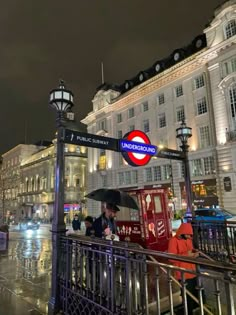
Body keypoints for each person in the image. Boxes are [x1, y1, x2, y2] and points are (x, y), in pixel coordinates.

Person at [168, 222, 200, 315]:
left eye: (190, 235)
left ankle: (194, 309)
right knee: (187, 296)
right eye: (188, 234)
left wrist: (194, 253)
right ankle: (188, 312)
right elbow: (171, 258)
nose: (190, 236)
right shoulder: (173, 241)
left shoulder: (188, 240)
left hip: (193, 271)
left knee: (195, 293)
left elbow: (190, 251)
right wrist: (187, 255)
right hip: (183, 274)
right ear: (182, 233)